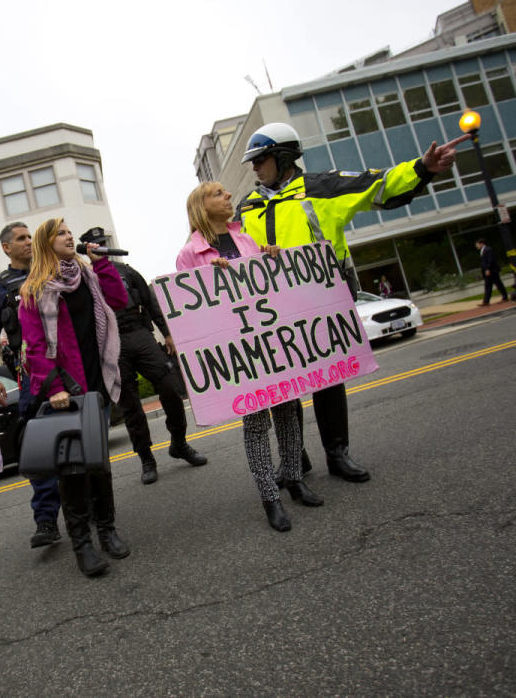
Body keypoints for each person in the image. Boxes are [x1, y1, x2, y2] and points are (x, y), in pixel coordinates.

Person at [237, 122, 469, 484]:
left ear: (283, 157)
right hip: (275, 311)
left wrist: (423, 169)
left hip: (323, 302)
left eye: (260, 159)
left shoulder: (322, 187)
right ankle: (294, 459)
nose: (254, 167)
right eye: (252, 161)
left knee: (328, 381)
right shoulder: (247, 207)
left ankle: (337, 453)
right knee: (286, 386)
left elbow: (379, 184)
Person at [178, 183, 323, 531]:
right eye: (218, 194)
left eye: (227, 193)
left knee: (289, 410)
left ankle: (294, 479)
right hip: (241, 350)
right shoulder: (189, 254)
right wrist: (208, 281)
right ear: (201, 205)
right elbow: (191, 312)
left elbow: (268, 289)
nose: (228, 197)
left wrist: (270, 258)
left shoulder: (245, 240)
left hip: (271, 342)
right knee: (257, 422)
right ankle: (269, 497)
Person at [18, 217, 130, 577]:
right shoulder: (34, 291)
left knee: (99, 464)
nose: (70, 236)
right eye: (62, 233)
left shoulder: (90, 276)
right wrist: (54, 389)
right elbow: (35, 348)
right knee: (73, 470)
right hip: (67, 389)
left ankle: (107, 529)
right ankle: (82, 543)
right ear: (46, 244)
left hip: (96, 380)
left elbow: (119, 299)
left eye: (69, 232)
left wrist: (103, 263)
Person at [78, 226, 208, 485]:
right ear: (87, 250)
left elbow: (150, 302)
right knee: (130, 404)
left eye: (103, 244)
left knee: (170, 386)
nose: (101, 249)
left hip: (139, 332)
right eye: (95, 246)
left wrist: (167, 334)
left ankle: (179, 442)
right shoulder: (85, 278)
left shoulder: (127, 271)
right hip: (113, 344)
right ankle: (146, 458)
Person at [0, 222, 62, 548]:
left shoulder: (53, 269)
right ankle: (46, 520)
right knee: (39, 445)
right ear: (6, 248)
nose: (29, 242)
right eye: (21, 239)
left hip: (66, 365)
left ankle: (91, 513)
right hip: (31, 374)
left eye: (30, 237)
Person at [476, 237, 509, 305]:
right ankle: (486, 301)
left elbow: (490, 260)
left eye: (477, 245)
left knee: (497, 284)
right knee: (488, 285)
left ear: (481, 244)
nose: (477, 246)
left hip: (492, 271)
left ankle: (504, 297)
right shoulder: (482, 251)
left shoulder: (487, 250)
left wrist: (488, 269)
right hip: (488, 271)